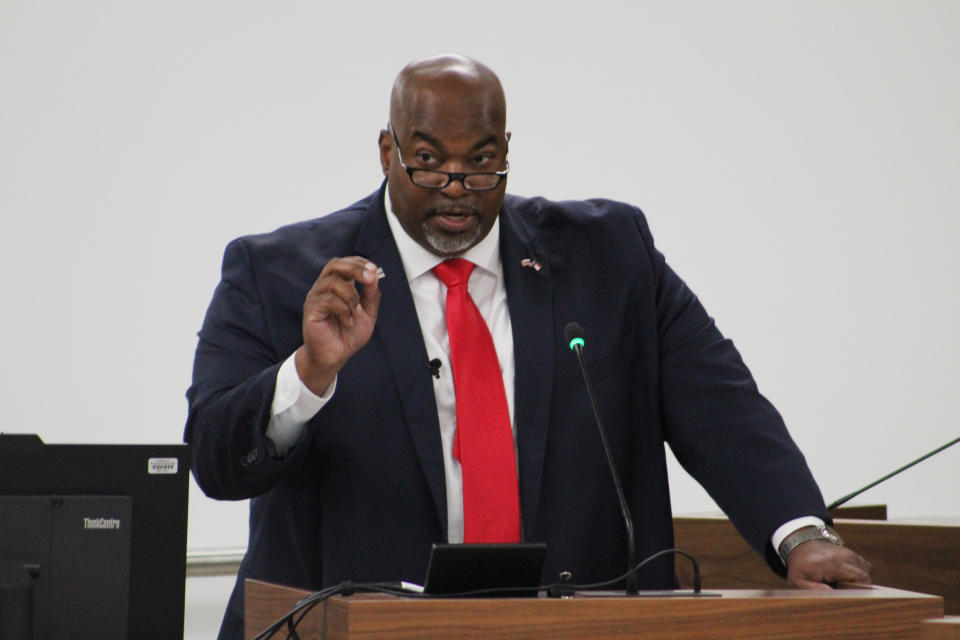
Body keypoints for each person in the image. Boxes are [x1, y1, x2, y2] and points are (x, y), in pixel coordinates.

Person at [185, 54, 871, 639]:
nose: (457, 188)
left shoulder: (610, 258)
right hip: (352, 626)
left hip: (574, 625)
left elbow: (723, 409)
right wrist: (308, 373)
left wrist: (801, 534)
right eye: (428, 161)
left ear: (506, 152)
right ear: (388, 149)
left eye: (480, 163)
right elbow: (215, 457)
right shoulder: (279, 274)